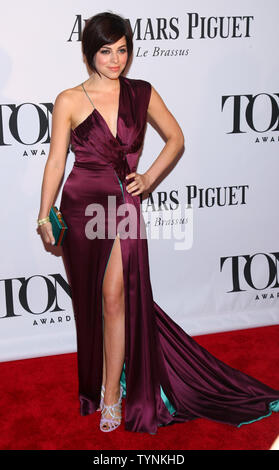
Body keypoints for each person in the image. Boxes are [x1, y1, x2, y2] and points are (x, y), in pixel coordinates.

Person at [37, 11, 279, 435]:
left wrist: (148, 177)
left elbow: (177, 138)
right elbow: (56, 160)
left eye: (123, 50)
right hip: (81, 207)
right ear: (89, 52)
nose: (116, 60)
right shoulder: (69, 100)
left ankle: (112, 394)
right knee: (91, 303)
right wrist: (44, 214)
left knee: (115, 296)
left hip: (125, 205)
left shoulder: (142, 92)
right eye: (106, 51)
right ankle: (96, 385)